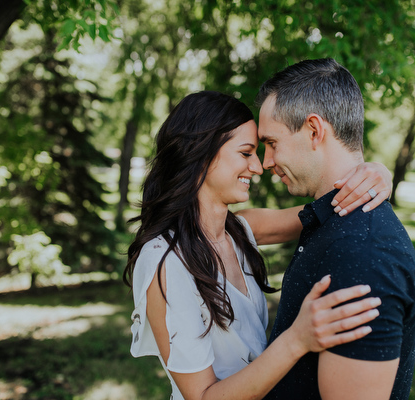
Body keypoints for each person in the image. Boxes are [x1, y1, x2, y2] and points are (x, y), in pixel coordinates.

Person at [124, 90, 392, 400]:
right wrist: (297, 340)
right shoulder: (165, 260)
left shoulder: (241, 230)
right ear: (201, 154)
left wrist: (377, 174)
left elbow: (332, 207)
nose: (258, 166)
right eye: (246, 152)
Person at [254, 58, 415, 400]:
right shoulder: (331, 218)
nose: (265, 161)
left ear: (314, 130)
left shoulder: (364, 253)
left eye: (271, 143)